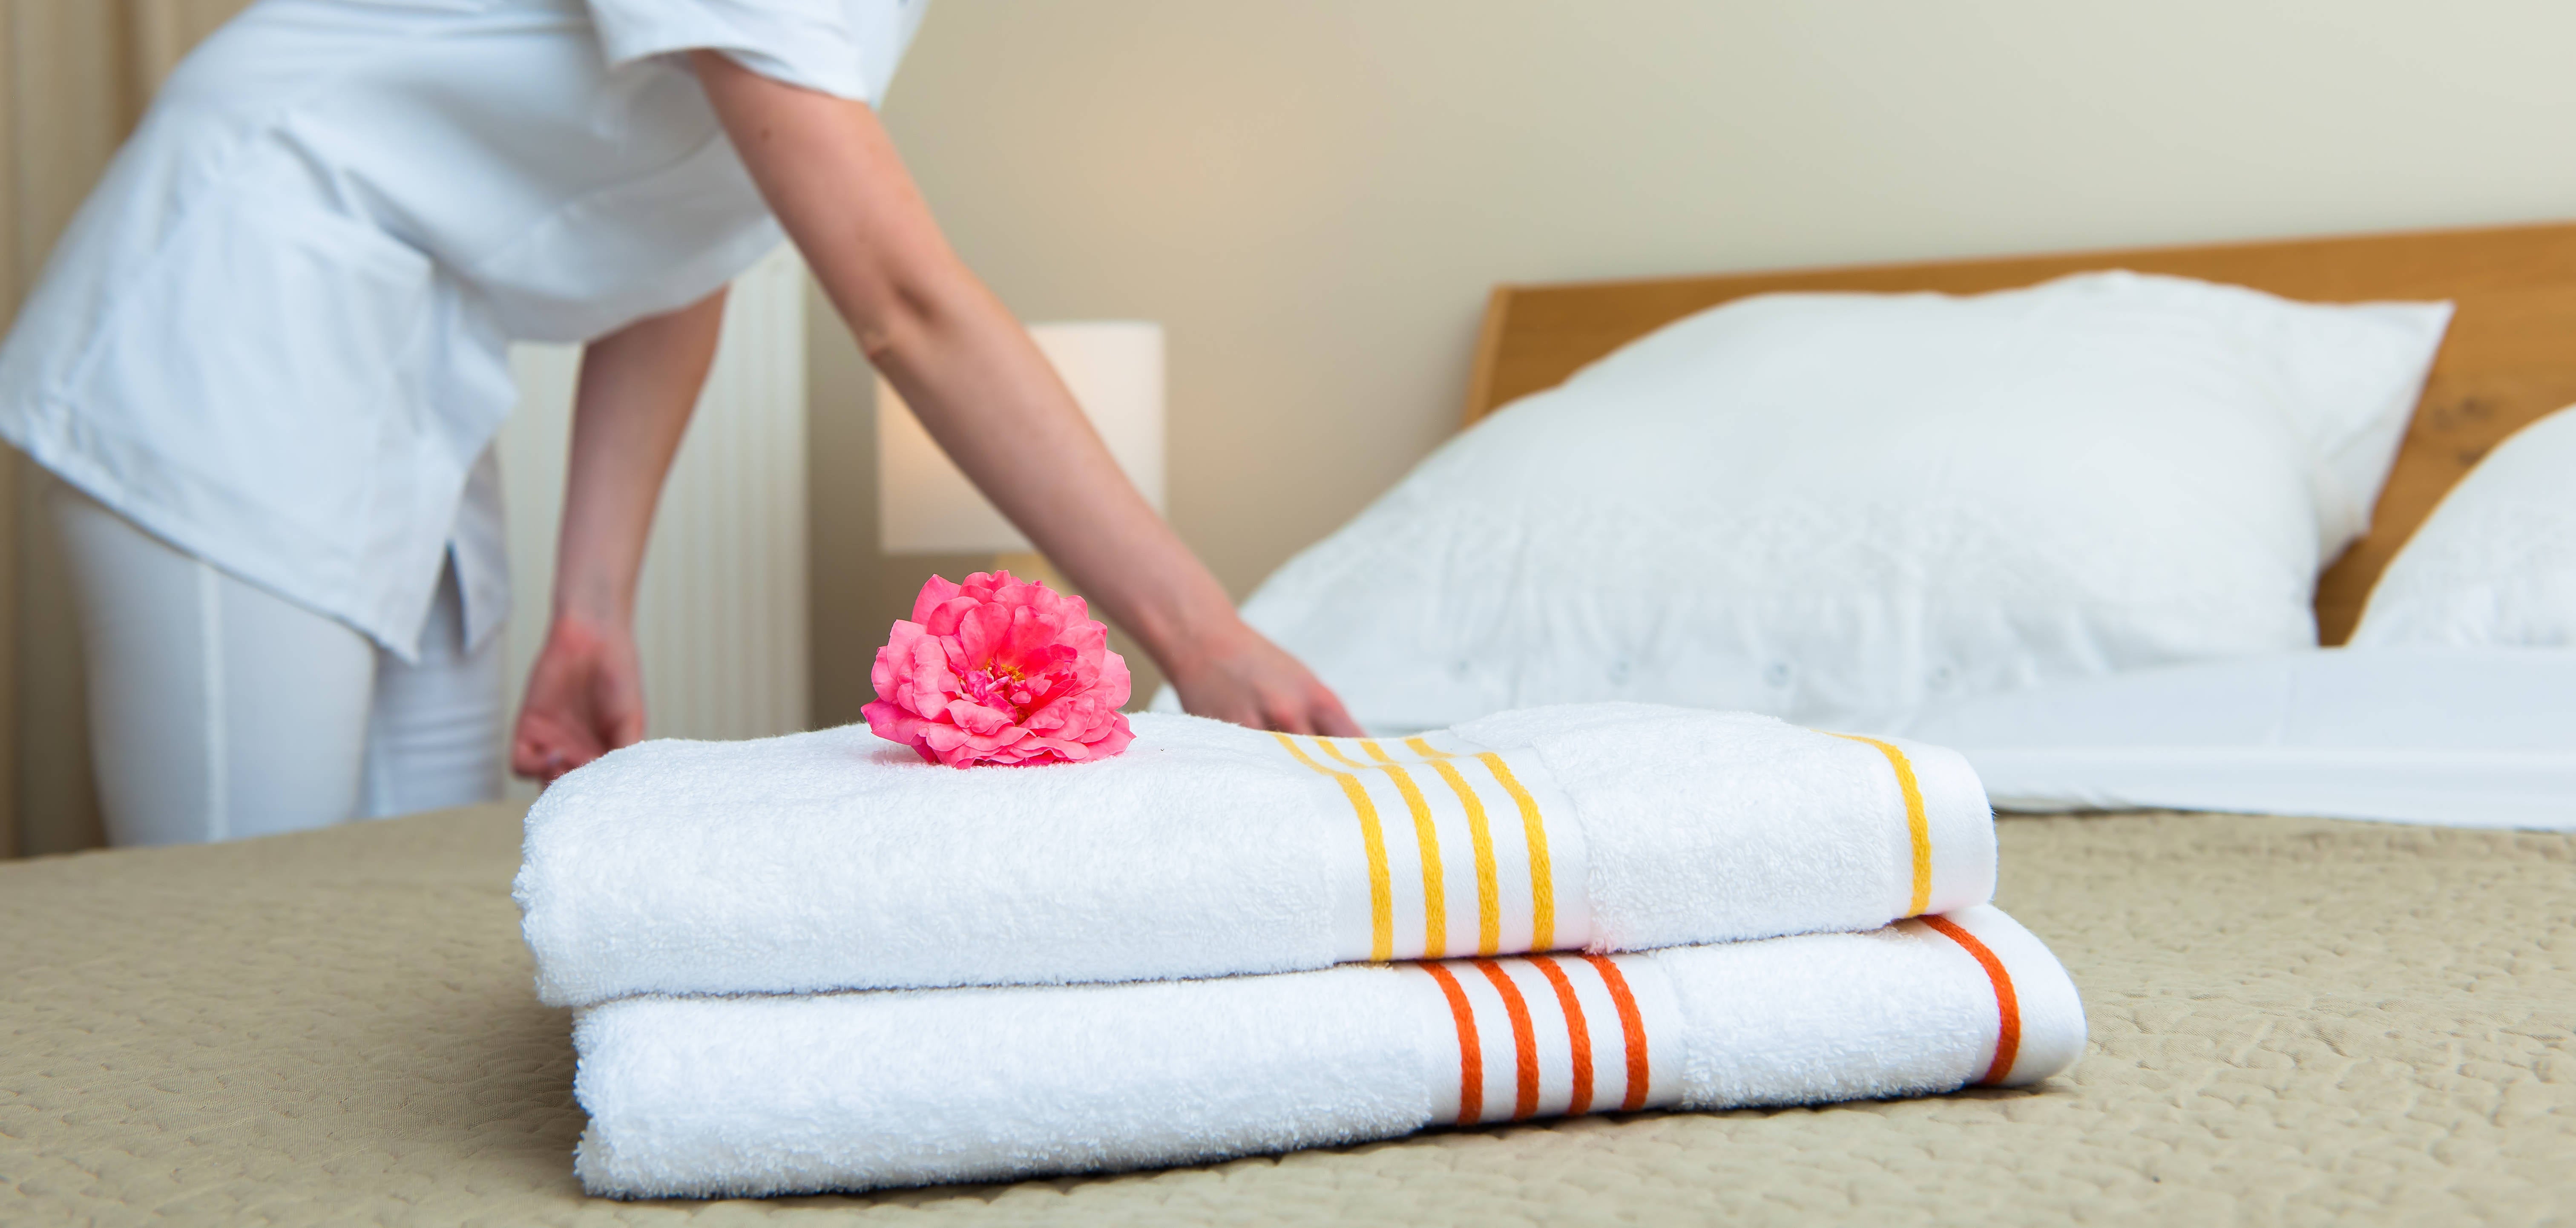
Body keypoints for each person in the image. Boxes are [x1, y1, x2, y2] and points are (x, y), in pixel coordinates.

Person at [0, 0, 1360, 848]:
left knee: (387, 890)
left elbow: (690, 234)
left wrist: (596, 608)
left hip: (416, 361)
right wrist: (1202, 634)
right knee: (241, 908)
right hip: (234, 310)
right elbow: (904, 305)